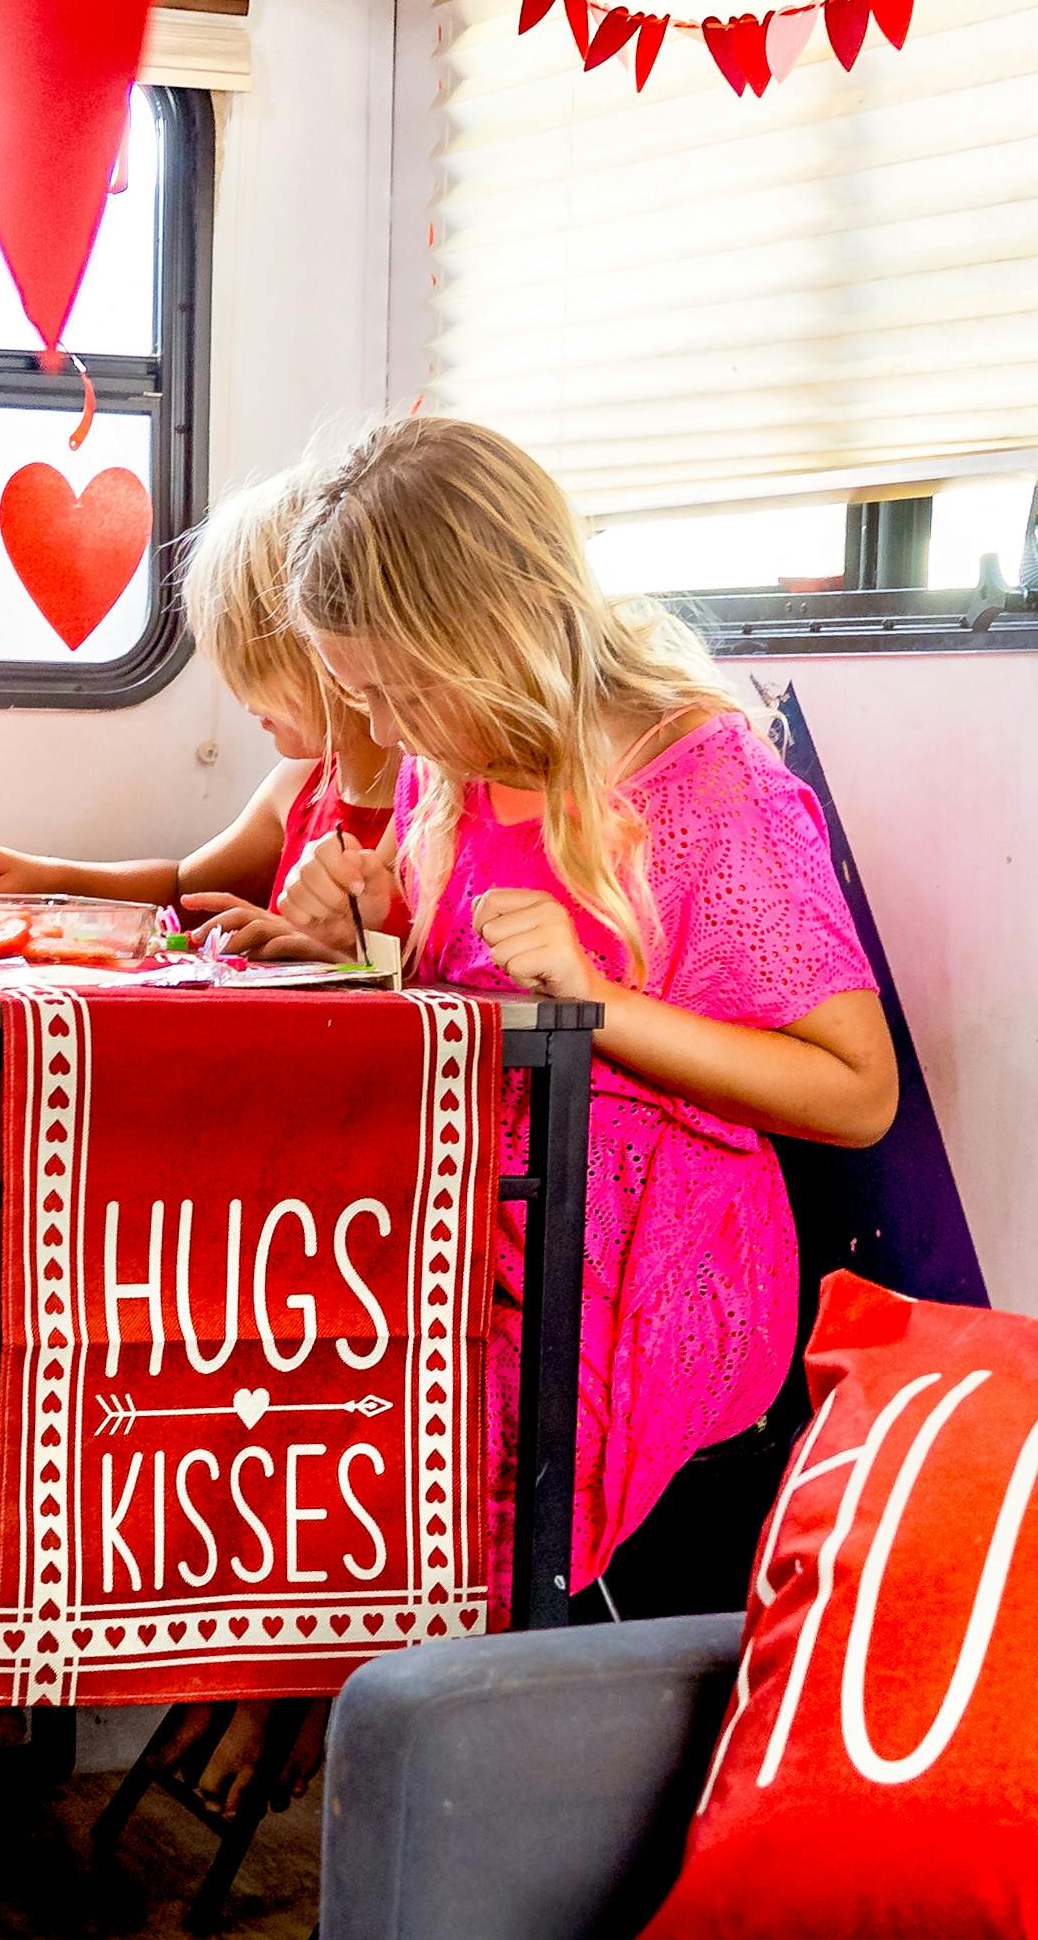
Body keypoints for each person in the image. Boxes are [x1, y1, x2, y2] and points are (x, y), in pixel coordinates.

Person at [274, 413, 900, 1613]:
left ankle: (380, 1708)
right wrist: (362, 944)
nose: (390, 731)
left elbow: (855, 1092)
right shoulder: (443, 769)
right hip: (482, 1211)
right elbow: (468, 996)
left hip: (652, 1250)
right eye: (364, 697)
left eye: (402, 690)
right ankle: (299, 1689)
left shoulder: (704, 786)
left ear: (489, 637)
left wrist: (601, 1003)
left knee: (444, 1442)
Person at [0, 468, 403, 946]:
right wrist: (46, 877)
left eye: (255, 671)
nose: (242, 700)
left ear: (328, 656)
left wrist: (326, 949)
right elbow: (183, 886)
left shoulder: (430, 805)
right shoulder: (297, 787)